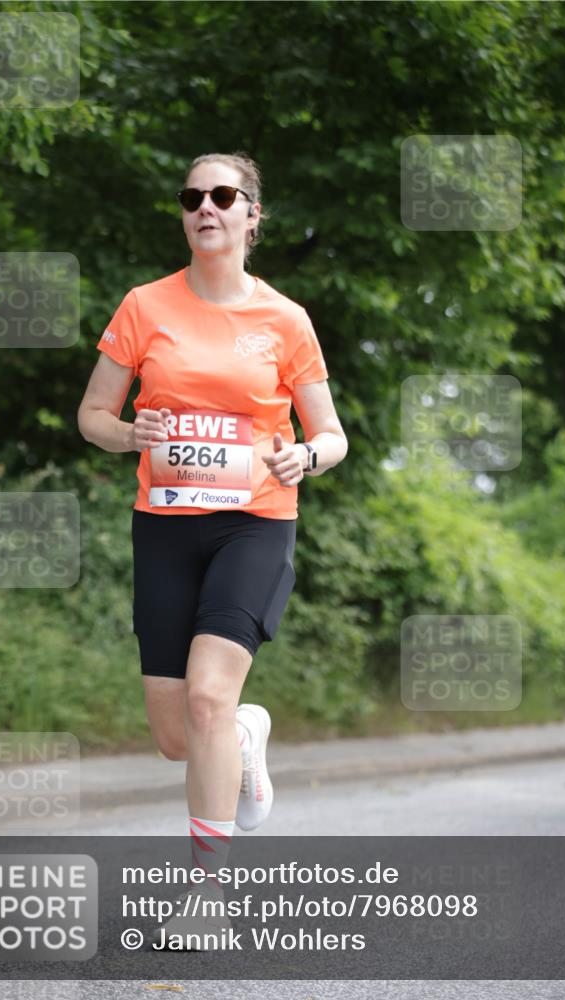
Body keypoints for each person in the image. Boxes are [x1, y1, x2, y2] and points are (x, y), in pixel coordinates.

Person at [77, 151, 348, 946]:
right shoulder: (143, 306)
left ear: (250, 215)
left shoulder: (284, 320)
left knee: (205, 696)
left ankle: (208, 896)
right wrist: (130, 432)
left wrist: (309, 455)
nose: (206, 206)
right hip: (163, 526)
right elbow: (92, 415)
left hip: (255, 521)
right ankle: (241, 738)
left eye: (222, 195)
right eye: (193, 196)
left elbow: (330, 431)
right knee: (176, 736)